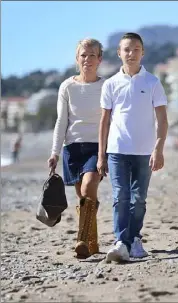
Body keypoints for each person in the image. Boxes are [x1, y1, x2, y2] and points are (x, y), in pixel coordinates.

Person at [97, 33, 168, 262]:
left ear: (142, 52)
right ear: (119, 53)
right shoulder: (110, 84)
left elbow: (162, 120)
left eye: (136, 49)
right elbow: (104, 122)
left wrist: (158, 148)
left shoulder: (152, 82)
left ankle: (134, 238)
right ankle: (121, 242)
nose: (131, 53)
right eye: (127, 49)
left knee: (138, 199)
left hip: (145, 152)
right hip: (117, 150)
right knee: (121, 196)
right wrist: (101, 156)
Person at [47, 38, 104, 259]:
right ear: (76, 58)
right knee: (83, 196)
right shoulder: (67, 86)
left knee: (90, 186)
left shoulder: (106, 85)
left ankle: (81, 239)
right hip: (72, 148)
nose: (87, 59)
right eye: (83, 55)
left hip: (97, 147)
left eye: (92, 55)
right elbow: (62, 121)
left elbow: (112, 119)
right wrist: (54, 152)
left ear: (99, 59)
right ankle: (93, 241)